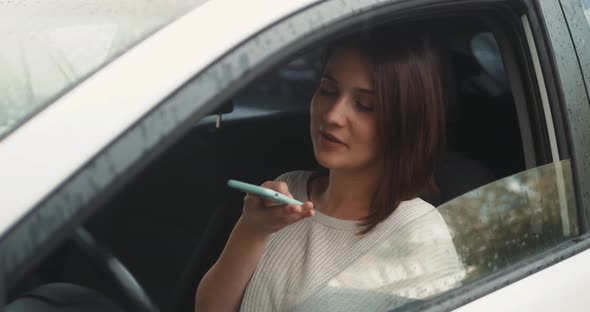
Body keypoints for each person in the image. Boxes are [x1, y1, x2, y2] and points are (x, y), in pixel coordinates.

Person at [195, 27, 465, 312]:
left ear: (404, 124)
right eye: (327, 90)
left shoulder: (417, 231)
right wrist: (251, 231)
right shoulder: (288, 189)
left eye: (364, 105)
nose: (333, 115)